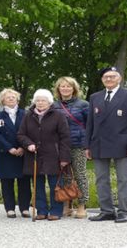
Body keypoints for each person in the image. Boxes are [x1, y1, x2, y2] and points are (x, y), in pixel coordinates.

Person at [86, 67, 127, 223]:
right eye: (106, 77)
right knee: (101, 179)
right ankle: (107, 211)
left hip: (122, 145)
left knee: (123, 179)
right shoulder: (95, 97)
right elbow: (90, 123)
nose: (109, 79)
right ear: (102, 79)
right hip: (98, 144)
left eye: (112, 76)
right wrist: (87, 146)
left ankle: (124, 211)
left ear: (119, 78)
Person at [17, 89, 71, 221]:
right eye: (38, 100)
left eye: (43, 100)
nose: (40, 103)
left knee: (55, 185)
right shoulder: (28, 116)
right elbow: (21, 134)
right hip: (34, 156)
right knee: (37, 184)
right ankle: (41, 210)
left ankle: (56, 211)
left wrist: (64, 158)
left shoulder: (58, 115)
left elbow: (65, 138)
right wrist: (28, 144)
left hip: (54, 155)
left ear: (49, 102)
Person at [0, 88, 31, 218]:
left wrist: (22, 147)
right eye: (8, 97)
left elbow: (30, 132)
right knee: (7, 182)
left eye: (13, 97)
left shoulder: (26, 114)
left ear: (17, 99)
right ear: (2, 100)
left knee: (24, 182)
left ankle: (24, 208)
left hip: (23, 153)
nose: (11, 99)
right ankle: (10, 208)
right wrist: (10, 148)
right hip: (6, 153)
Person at [53, 77, 89, 218]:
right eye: (62, 86)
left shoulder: (83, 105)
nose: (65, 88)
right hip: (61, 146)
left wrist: (88, 145)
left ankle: (82, 205)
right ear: (58, 89)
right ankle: (66, 204)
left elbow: (90, 125)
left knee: (80, 175)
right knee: (64, 176)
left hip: (79, 145)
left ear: (74, 89)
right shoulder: (53, 106)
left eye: (69, 86)